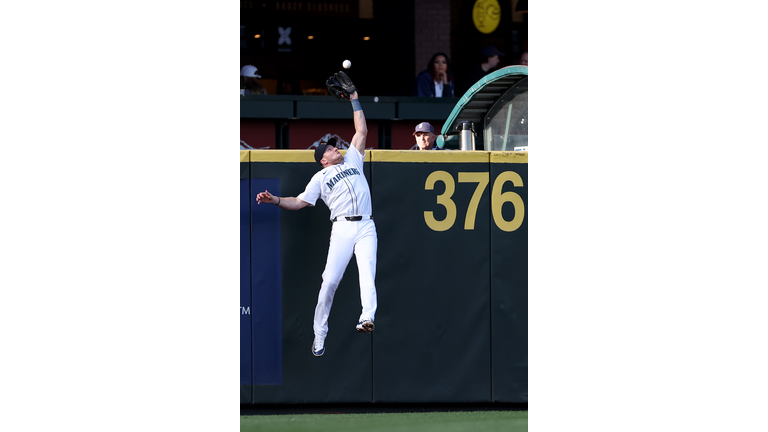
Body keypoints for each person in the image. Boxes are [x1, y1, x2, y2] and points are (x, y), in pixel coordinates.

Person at [256, 90, 377, 358]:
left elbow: (362, 129)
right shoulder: (320, 178)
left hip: (367, 225)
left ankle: (366, 317)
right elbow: (298, 203)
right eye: (332, 148)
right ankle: (319, 332)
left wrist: (355, 98)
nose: (336, 148)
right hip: (343, 227)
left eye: (335, 146)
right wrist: (274, 199)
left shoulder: (354, 159)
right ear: (323, 159)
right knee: (330, 281)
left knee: (367, 273)